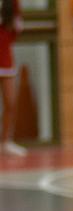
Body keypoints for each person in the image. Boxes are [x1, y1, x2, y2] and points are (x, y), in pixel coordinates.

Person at [0, 0, 27, 156]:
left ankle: (5, 142)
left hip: (5, 59)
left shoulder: (13, 3)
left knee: (11, 101)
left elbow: (15, 30)